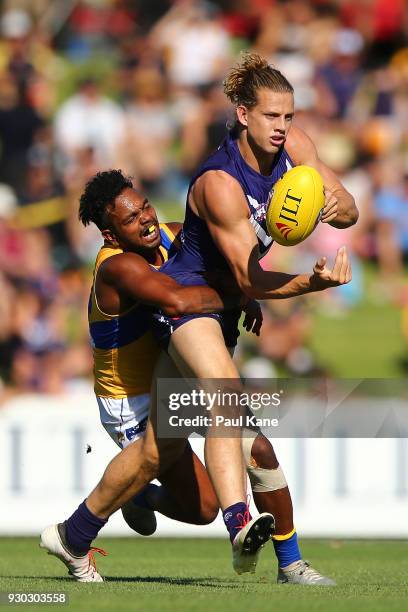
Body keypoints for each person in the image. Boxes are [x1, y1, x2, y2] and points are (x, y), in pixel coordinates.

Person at [41, 167, 343, 584]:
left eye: (144, 206)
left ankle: (291, 564)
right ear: (111, 235)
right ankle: (102, 516)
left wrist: (243, 287)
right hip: (130, 400)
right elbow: (181, 301)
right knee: (201, 507)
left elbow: (215, 269)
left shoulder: (171, 235)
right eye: (130, 219)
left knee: (259, 452)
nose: (146, 219)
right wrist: (245, 292)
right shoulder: (117, 267)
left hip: (176, 375)